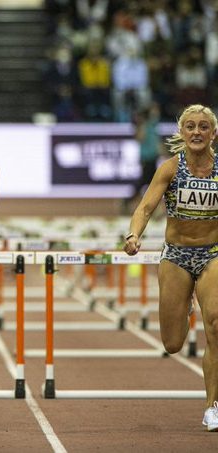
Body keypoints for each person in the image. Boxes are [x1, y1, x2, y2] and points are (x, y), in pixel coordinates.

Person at [123, 104, 218, 431]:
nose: (196, 132)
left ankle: (212, 406)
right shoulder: (170, 168)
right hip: (176, 256)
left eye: (203, 127)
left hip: (213, 254)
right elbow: (145, 207)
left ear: (213, 133)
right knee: (173, 343)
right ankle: (185, 302)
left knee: (215, 324)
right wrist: (133, 234)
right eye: (190, 126)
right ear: (181, 132)